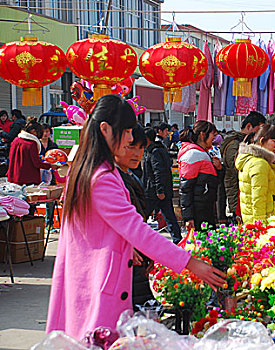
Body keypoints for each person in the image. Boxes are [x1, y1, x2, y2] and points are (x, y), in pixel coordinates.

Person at [46, 95, 225, 340]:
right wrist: (190, 263)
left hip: (86, 277)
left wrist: (125, 245)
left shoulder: (88, 169)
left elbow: (98, 227)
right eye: (127, 131)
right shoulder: (102, 178)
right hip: (98, 282)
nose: (131, 138)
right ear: (105, 129)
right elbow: (137, 230)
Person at [114, 124, 156, 310]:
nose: (137, 153)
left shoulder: (128, 173)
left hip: (137, 250)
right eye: (131, 147)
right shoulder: (111, 179)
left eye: (141, 148)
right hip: (127, 255)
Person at [221, 111, 266, 220]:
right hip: (237, 194)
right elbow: (236, 168)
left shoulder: (244, 142)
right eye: (259, 129)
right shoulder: (234, 144)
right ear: (249, 126)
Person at [179, 120, 221, 231]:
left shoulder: (203, 153)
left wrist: (220, 168)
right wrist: (188, 217)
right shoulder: (193, 154)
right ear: (203, 135)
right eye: (213, 134)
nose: (214, 138)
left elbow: (214, 180)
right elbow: (185, 188)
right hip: (198, 211)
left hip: (205, 208)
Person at [142, 127, 182, 243]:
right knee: (169, 216)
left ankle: (140, 240)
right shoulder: (158, 149)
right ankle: (177, 239)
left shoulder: (154, 152)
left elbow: (158, 171)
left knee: (142, 216)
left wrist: (160, 190)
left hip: (155, 191)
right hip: (160, 189)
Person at [236, 124, 275, 225]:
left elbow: (267, 185)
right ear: (262, 141)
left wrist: (273, 166)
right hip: (264, 220)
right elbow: (258, 198)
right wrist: (259, 225)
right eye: (273, 141)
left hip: (251, 217)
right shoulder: (259, 164)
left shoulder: (251, 159)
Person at [7, 118, 57, 186]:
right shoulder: (31, 144)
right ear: (33, 131)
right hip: (28, 178)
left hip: (14, 176)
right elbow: (36, 163)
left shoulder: (16, 140)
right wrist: (50, 166)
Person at [39, 124, 59, 229]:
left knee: (50, 200)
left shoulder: (53, 146)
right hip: (38, 176)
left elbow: (59, 160)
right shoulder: (36, 144)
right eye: (43, 131)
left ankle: (49, 223)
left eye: (47, 131)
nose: (45, 134)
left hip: (50, 175)